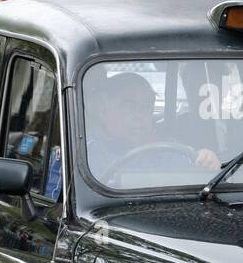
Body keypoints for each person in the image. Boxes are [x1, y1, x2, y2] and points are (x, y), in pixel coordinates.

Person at [87, 71, 220, 183]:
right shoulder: (83, 152)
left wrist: (205, 160)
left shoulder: (169, 150)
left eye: (147, 105)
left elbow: (197, 183)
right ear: (102, 109)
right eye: (128, 106)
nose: (140, 115)